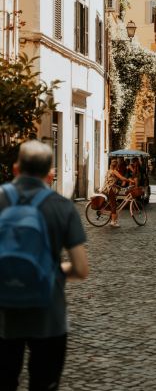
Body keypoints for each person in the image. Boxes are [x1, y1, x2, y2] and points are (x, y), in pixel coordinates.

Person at [0, 140, 89, 391]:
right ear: (50, 175)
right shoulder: (62, 207)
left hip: (3, 315)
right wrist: (53, 270)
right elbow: (81, 269)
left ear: (16, 169)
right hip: (49, 316)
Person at [102, 158, 134, 227]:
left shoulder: (109, 171)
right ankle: (113, 222)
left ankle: (113, 219)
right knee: (114, 205)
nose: (118, 167)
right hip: (111, 189)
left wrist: (118, 186)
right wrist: (130, 181)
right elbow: (122, 178)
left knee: (112, 204)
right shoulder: (114, 171)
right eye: (117, 165)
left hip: (107, 189)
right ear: (116, 165)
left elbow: (111, 181)